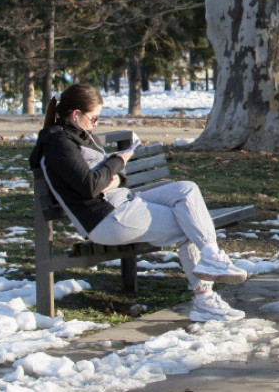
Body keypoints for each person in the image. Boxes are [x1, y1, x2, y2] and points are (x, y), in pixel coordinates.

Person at [29, 84, 248, 322]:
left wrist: (112, 176)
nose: (96, 124)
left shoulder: (77, 136)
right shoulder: (58, 143)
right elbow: (90, 185)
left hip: (122, 203)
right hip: (106, 219)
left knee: (187, 190)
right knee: (189, 225)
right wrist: (118, 161)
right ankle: (204, 300)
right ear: (75, 115)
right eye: (94, 118)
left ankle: (211, 256)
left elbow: (115, 179)